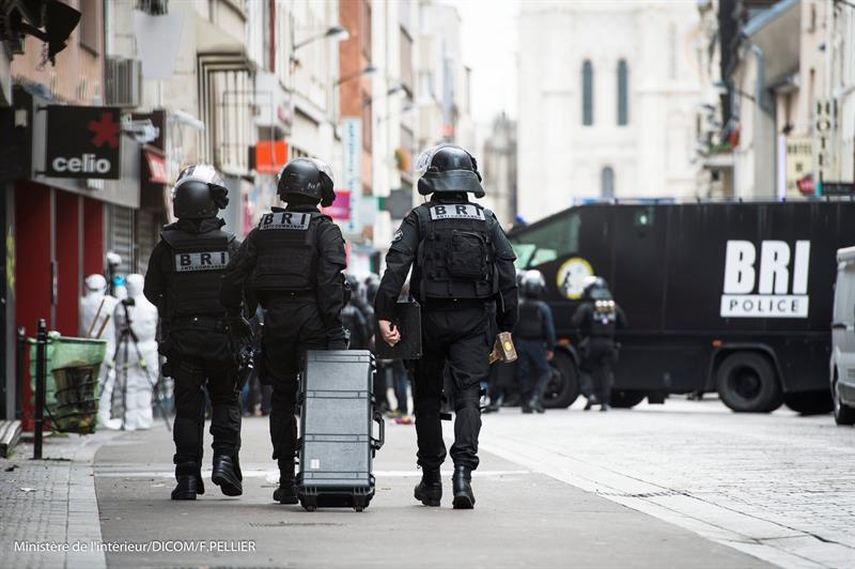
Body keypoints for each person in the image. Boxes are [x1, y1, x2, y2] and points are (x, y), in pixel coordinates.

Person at [375, 144, 518, 509]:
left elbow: (396, 266)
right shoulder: (485, 219)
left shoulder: (420, 217)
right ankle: (463, 476)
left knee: (426, 397)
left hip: (429, 320)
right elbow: (507, 273)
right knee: (469, 395)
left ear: (433, 180)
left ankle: (431, 480)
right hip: (474, 322)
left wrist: (384, 313)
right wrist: (506, 324)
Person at [219, 157, 348, 505]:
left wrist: (239, 317)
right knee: (320, 402)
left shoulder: (264, 228)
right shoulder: (325, 230)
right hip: (314, 322)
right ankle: (319, 475)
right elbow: (330, 284)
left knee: (282, 400)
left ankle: (288, 481)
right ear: (319, 189)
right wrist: (334, 326)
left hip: (275, 321)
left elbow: (234, 275)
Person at [144, 164, 247, 500]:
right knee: (225, 400)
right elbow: (245, 291)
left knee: (188, 409)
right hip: (223, 338)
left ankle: (187, 478)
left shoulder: (167, 245)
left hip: (183, 339)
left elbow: (150, 291)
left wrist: (176, 306)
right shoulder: (231, 244)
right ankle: (224, 461)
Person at [571, 277, 627, 412]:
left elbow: (575, 322)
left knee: (584, 369)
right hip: (609, 343)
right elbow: (624, 324)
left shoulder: (587, 306)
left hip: (592, 343)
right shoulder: (614, 307)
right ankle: (605, 402)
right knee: (605, 372)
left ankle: (590, 395)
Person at [112, 274, 158, 430]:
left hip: (126, 347)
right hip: (147, 348)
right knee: (146, 383)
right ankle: (144, 419)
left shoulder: (120, 306)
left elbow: (117, 330)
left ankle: (129, 420)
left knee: (127, 384)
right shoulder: (151, 306)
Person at [515, 270, 556, 414]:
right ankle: (535, 399)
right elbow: (549, 330)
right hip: (536, 344)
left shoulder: (518, 305)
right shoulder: (542, 307)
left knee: (524, 373)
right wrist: (551, 347)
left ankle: (526, 404)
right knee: (545, 372)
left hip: (520, 343)